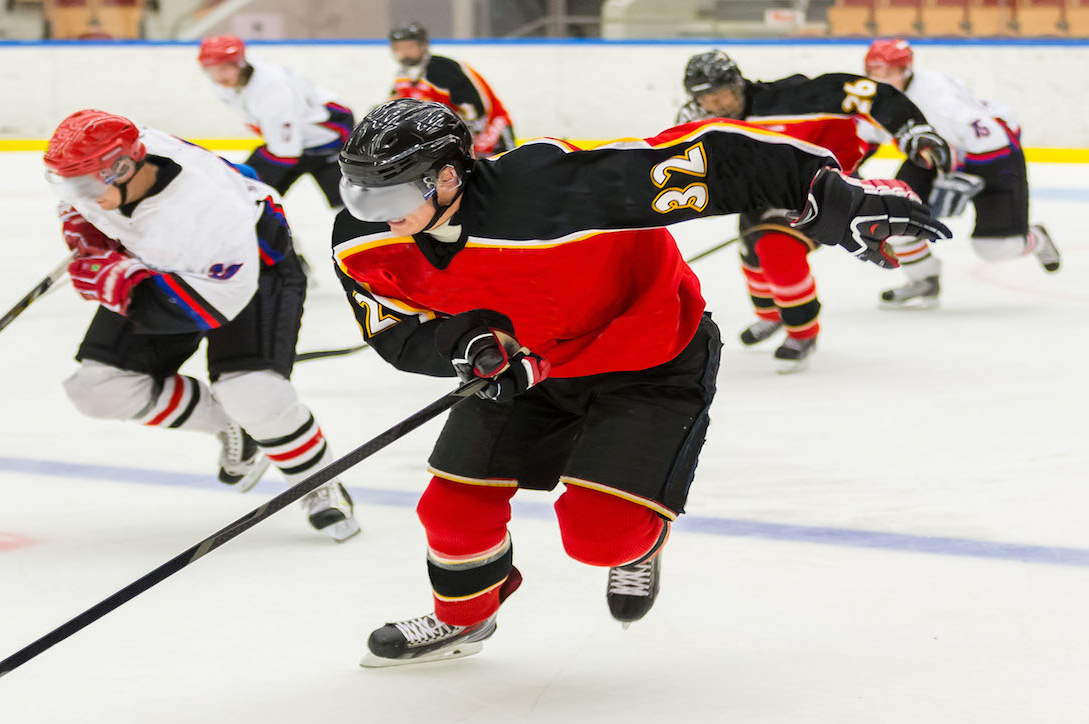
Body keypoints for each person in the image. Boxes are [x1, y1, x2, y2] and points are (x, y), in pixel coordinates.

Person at [333, 99, 949, 667]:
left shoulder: (551, 187)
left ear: (447, 178)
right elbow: (394, 330)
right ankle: (463, 621)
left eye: (389, 200)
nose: (375, 220)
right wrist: (466, 346)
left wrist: (829, 192)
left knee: (601, 536)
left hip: (650, 359)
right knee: (451, 510)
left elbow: (705, 159)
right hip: (531, 370)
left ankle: (640, 536)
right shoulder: (361, 242)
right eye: (360, 198)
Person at [44, 109, 359, 542]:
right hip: (160, 261)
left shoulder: (208, 214)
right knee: (98, 390)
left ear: (122, 168)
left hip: (251, 269)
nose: (79, 195)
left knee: (250, 392)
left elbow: (212, 308)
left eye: (85, 187)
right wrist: (82, 225)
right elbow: (77, 192)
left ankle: (318, 481)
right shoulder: (117, 160)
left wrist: (123, 286)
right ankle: (230, 427)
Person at [680, 49, 952, 371]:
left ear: (738, 85)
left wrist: (911, 129)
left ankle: (801, 331)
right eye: (706, 99)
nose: (716, 105)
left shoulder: (795, 98)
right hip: (763, 195)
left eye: (721, 94)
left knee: (775, 249)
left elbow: (866, 93)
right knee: (752, 256)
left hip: (820, 188)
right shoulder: (699, 121)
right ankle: (771, 316)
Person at [864, 38, 1060, 309]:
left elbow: (991, 139)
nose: (880, 80)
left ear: (905, 70)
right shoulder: (875, 97)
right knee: (892, 217)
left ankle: (1036, 239)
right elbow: (866, 135)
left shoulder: (939, 101)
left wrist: (956, 175)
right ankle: (925, 280)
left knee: (994, 248)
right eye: (874, 73)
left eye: (887, 73)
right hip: (932, 156)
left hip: (994, 157)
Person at [198, 35, 353, 209]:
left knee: (348, 207)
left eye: (224, 68)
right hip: (295, 139)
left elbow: (285, 151)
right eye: (210, 69)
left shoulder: (273, 88)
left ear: (239, 63)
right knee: (249, 197)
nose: (217, 76)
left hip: (327, 136)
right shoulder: (225, 83)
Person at [387, 22, 514, 158]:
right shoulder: (403, 75)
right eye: (398, 48)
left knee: (506, 170)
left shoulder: (443, 69)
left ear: (423, 46)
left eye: (409, 47)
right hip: (453, 140)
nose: (404, 53)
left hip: (489, 133)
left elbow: (476, 110)